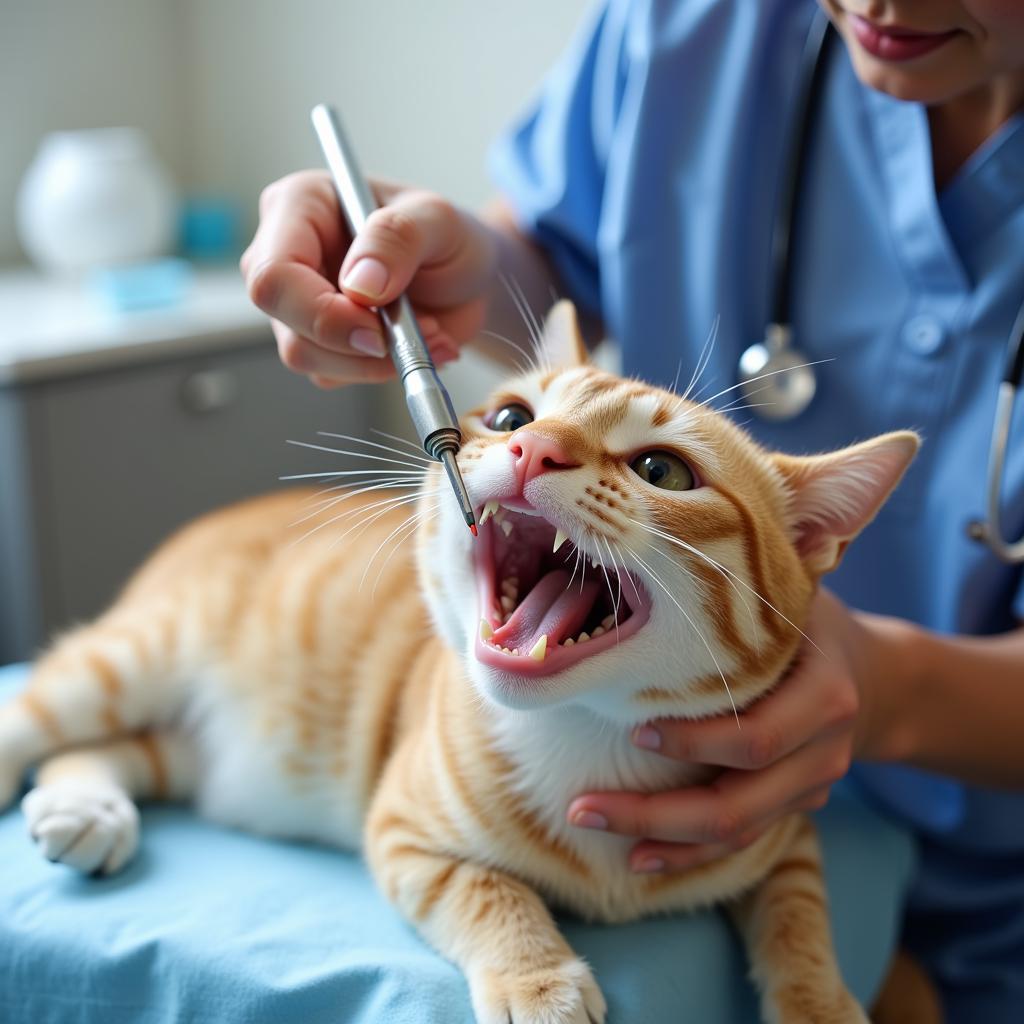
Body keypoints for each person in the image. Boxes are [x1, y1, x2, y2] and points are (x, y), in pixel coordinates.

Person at [241, 1, 1024, 1019]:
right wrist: (457, 263)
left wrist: (887, 689)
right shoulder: (690, 25)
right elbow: (551, 264)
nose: (881, 6)